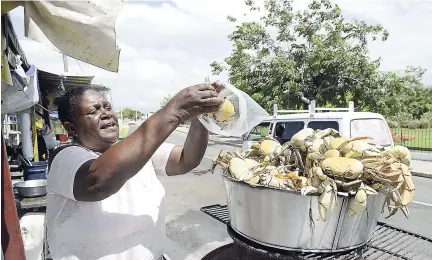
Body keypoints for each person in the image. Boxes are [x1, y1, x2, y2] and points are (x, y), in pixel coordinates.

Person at [46, 83, 223, 260]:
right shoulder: (65, 158)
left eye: (107, 107)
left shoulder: (135, 151)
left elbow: (186, 159)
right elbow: (97, 182)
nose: (106, 113)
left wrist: (202, 117)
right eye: (93, 111)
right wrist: (173, 111)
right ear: (72, 128)